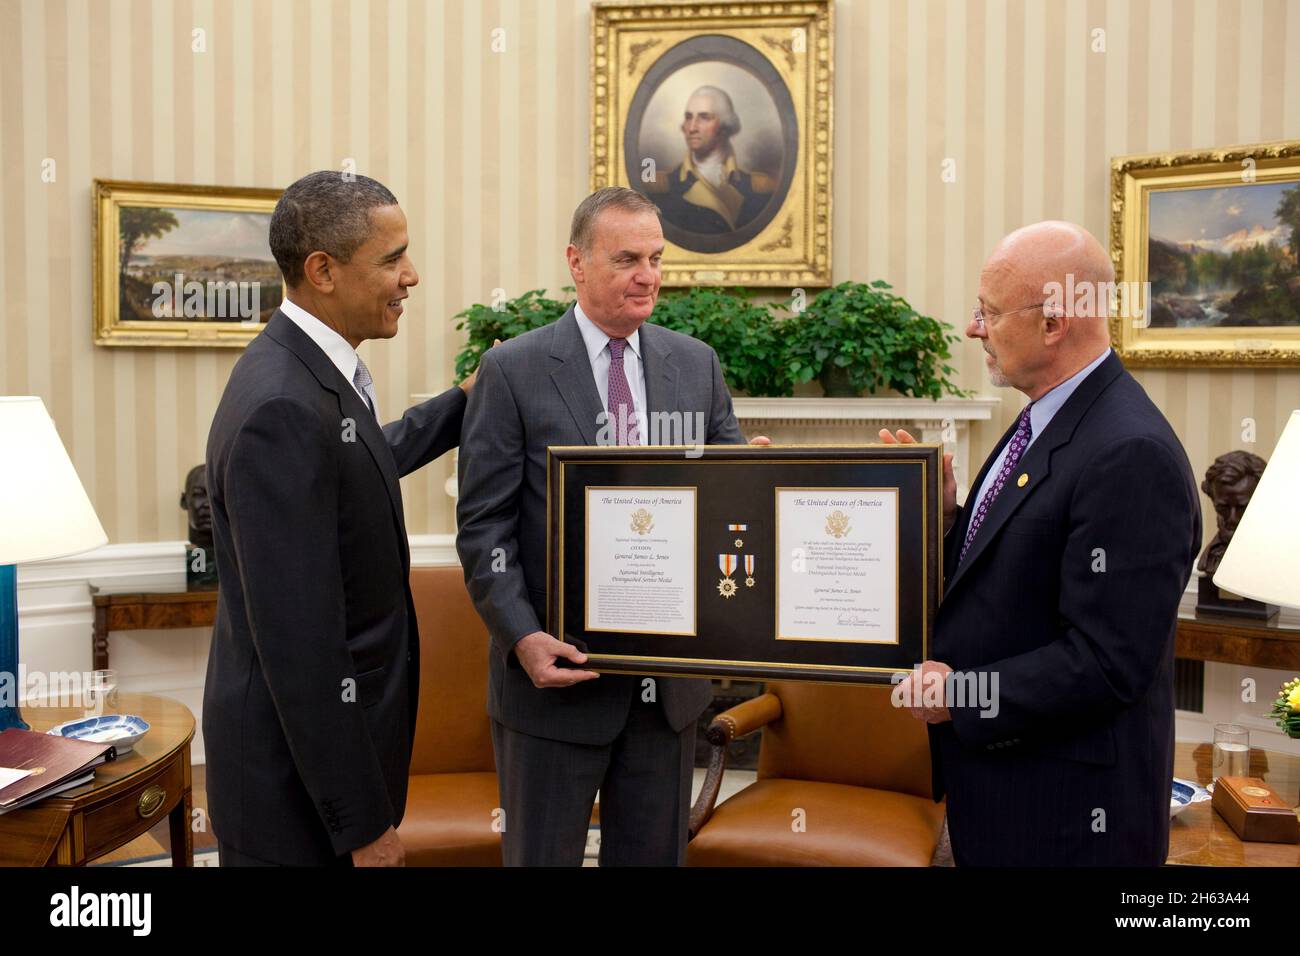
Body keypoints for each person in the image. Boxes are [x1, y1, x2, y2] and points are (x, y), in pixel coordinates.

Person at [456, 186, 764, 865]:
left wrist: (755, 485)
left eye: (656, 258)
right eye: (627, 258)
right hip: (554, 687)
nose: (648, 276)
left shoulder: (696, 364)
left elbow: (727, 506)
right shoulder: (513, 371)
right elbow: (483, 529)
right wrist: (522, 639)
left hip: (666, 697)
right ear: (577, 261)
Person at [884, 220, 1200, 866]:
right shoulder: (1045, 416)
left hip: (1066, 823)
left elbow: (1105, 664)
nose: (974, 329)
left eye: (988, 313)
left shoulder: (1131, 453)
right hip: (1006, 799)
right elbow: (1013, 575)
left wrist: (961, 694)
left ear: (1054, 324)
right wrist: (948, 521)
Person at [203, 171, 474, 866]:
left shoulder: (304, 372)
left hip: (310, 780)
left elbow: (360, 461)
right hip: (296, 801)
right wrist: (360, 825)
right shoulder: (282, 408)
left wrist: (464, 400)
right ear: (322, 270)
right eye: (392, 259)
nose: (411, 276)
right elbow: (303, 652)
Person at [643, 85, 775, 235]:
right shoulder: (659, 188)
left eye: (704, 117)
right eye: (688, 117)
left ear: (725, 126)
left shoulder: (760, 187)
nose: (692, 127)